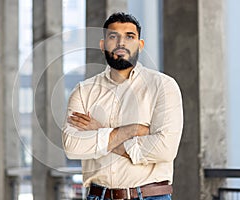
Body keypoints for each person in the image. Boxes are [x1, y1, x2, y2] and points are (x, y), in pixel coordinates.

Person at [62, 12, 183, 200]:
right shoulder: (83, 91)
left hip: (150, 196)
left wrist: (100, 132)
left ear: (140, 45)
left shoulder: (163, 86)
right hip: (98, 195)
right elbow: (72, 146)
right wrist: (130, 131)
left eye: (129, 36)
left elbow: (164, 149)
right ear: (103, 45)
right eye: (113, 36)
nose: (121, 43)